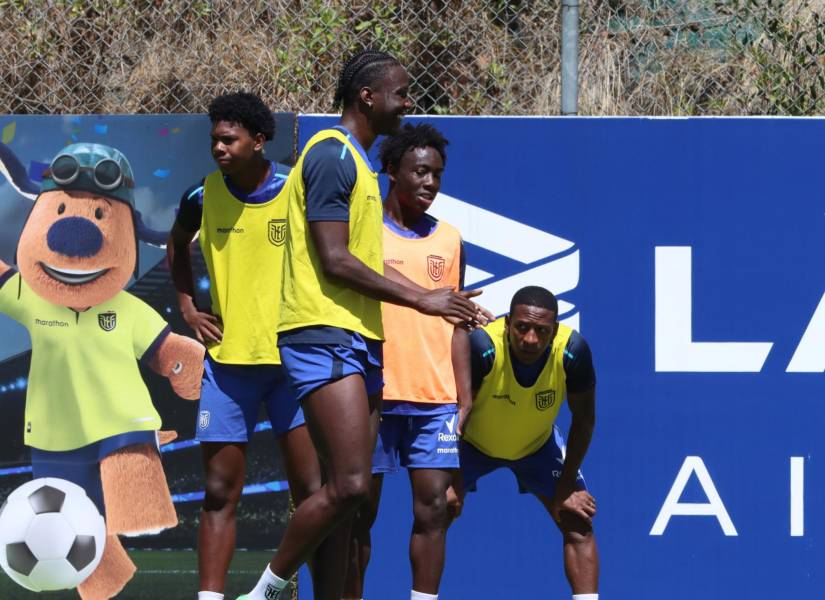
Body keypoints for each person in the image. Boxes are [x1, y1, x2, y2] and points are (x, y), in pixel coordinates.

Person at [238, 50, 483, 600]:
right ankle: (268, 590)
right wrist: (425, 299)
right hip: (322, 336)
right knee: (350, 486)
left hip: (356, 341)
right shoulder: (331, 153)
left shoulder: (363, 168)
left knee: (349, 504)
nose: (408, 101)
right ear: (366, 97)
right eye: (400, 92)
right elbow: (335, 259)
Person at [167, 92, 328, 600]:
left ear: (259, 141)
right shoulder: (201, 196)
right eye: (214, 138)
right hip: (229, 367)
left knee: (313, 494)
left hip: (293, 366)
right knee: (218, 492)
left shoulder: (295, 190)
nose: (218, 147)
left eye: (229, 138)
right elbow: (176, 245)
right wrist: (188, 306)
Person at [342, 123, 467, 600]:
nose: (430, 183)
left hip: (434, 400)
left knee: (434, 510)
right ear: (391, 171)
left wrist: (464, 397)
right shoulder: (363, 233)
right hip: (373, 395)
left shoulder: (451, 239)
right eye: (419, 172)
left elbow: (458, 323)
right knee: (358, 513)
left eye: (437, 174)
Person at [453, 285, 600, 600]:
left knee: (577, 519)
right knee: (436, 508)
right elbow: (455, 414)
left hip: (537, 447)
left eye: (542, 331)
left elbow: (584, 420)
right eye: (522, 327)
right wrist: (451, 478)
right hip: (472, 445)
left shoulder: (573, 351)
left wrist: (566, 486)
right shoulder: (482, 346)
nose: (531, 339)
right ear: (507, 324)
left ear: (555, 330)